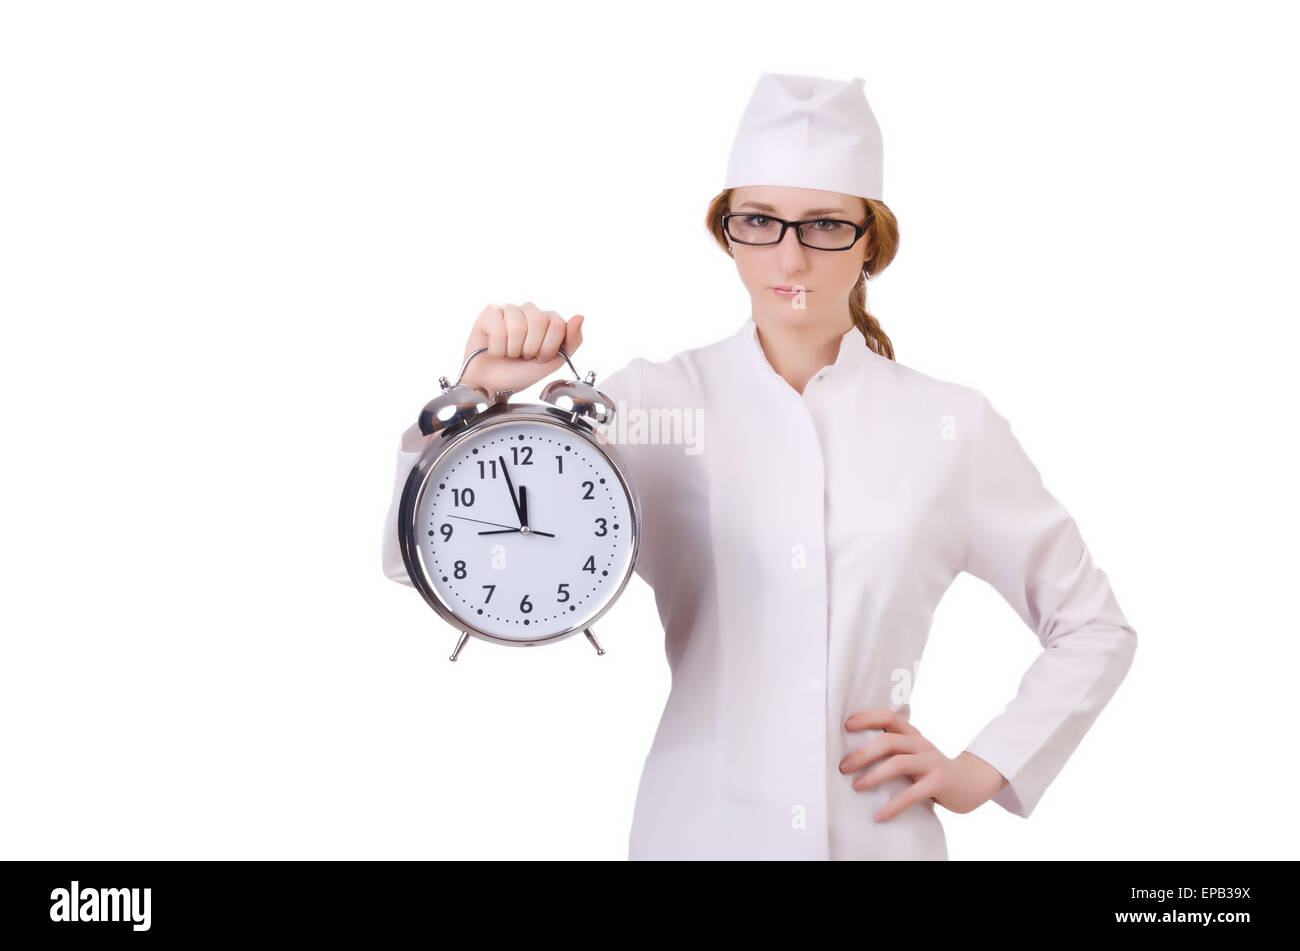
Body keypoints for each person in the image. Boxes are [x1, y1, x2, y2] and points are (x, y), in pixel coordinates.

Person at [381, 73, 1137, 860]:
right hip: (697, 832)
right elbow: (429, 560)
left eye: (824, 226)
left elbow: (1093, 625)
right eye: (759, 221)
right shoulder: (648, 405)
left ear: (871, 239)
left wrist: (984, 770)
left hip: (878, 837)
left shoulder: (951, 427)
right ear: (727, 231)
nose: (789, 255)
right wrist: (478, 401)